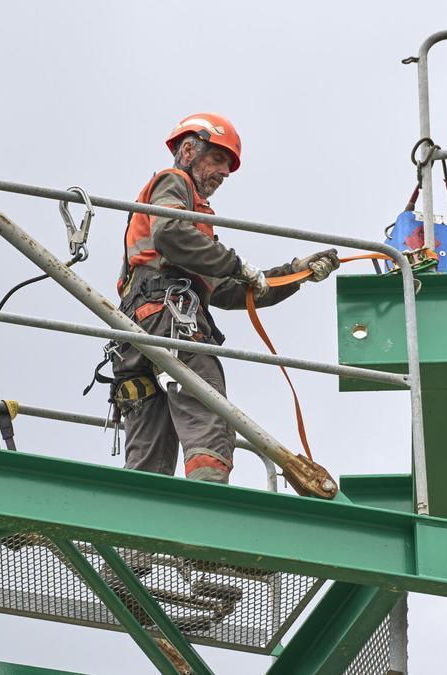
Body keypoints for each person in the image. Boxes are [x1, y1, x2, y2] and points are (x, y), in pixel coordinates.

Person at [112, 113, 340, 485]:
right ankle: (210, 502)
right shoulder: (174, 182)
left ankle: (136, 520)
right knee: (208, 415)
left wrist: (296, 273)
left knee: (149, 447)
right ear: (188, 150)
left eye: (228, 167)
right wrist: (234, 263)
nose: (224, 173)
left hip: (138, 330)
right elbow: (170, 233)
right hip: (171, 318)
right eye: (218, 159)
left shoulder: (197, 224)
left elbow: (228, 289)